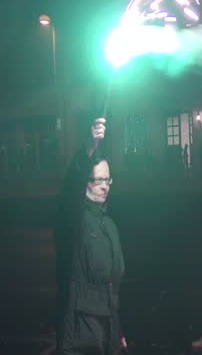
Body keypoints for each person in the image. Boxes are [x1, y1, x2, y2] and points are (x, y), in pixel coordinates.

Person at [54, 118, 127, 354]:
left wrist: (119, 331)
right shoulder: (73, 219)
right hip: (80, 331)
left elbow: (113, 284)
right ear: (85, 182)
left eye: (108, 179)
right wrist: (89, 147)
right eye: (98, 180)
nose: (105, 186)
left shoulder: (110, 225)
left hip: (109, 329)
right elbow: (70, 188)